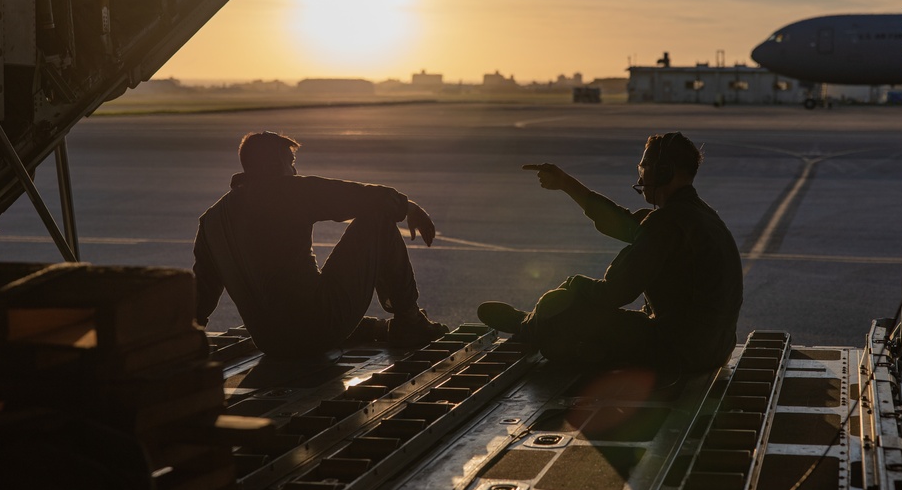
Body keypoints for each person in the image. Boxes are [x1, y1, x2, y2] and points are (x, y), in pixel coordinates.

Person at [478, 132, 743, 374]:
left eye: (644, 168)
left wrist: (573, 288)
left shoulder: (667, 223)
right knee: (580, 309)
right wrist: (566, 183)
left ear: (663, 172)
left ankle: (530, 327)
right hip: (712, 348)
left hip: (679, 352)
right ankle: (537, 323)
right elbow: (624, 223)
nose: (640, 178)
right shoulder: (698, 214)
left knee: (567, 310)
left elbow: (615, 292)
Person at [193, 131, 448, 359]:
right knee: (378, 220)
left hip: (269, 342)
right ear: (273, 165)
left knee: (302, 301)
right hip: (316, 330)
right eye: (290, 164)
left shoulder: (212, 220)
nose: (294, 172)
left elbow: (202, 294)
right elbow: (361, 196)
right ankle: (409, 321)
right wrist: (408, 207)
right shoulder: (284, 191)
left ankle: (373, 328)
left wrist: (186, 339)